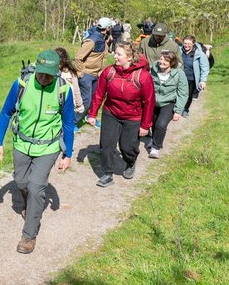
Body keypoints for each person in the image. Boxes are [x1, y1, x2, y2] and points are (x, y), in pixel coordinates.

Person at [0, 50, 75, 254]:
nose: (44, 78)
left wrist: (68, 154)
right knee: (21, 182)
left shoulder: (64, 90)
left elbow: (68, 123)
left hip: (48, 146)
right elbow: (5, 113)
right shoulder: (21, 84)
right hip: (22, 143)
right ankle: (32, 205)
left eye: (48, 75)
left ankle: (29, 235)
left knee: (37, 187)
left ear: (57, 72)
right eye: (41, 73)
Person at [86, 43, 155, 187]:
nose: (114, 56)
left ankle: (130, 162)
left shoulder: (143, 76)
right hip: (111, 113)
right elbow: (99, 94)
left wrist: (145, 125)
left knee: (127, 147)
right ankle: (107, 174)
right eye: (115, 53)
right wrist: (92, 114)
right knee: (107, 145)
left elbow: (149, 102)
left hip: (133, 117)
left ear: (129, 57)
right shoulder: (109, 72)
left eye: (118, 54)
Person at [146, 50, 188, 159]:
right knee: (154, 124)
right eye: (161, 59)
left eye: (166, 60)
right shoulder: (152, 70)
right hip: (153, 102)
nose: (162, 61)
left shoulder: (179, 74)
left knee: (161, 124)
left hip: (168, 102)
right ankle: (155, 139)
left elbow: (183, 93)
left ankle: (155, 148)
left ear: (172, 62)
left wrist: (178, 111)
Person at [75, 17, 114, 113]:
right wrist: (80, 73)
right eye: (111, 27)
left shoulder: (102, 38)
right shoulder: (92, 40)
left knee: (94, 99)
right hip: (86, 74)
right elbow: (78, 57)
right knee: (86, 100)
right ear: (108, 28)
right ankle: (73, 121)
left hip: (96, 74)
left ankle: (90, 117)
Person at [179, 35, 210, 117]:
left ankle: (185, 109)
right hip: (180, 77)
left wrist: (203, 81)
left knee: (188, 95)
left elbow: (205, 67)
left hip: (192, 78)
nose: (186, 45)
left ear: (193, 44)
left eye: (189, 44)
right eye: (185, 43)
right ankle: (177, 109)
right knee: (179, 93)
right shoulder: (179, 51)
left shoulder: (199, 53)